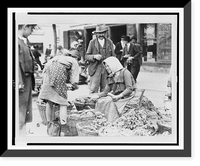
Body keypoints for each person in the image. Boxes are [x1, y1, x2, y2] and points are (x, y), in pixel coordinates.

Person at [38, 54, 79, 136]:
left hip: (47, 72)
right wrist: (74, 86)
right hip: (58, 72)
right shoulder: (74, 61)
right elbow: (74, 78)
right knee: (63, 102)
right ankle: (63, 128)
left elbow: (45, 72)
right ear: (76, 58)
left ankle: (50, 125)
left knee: (49, 100)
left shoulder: (58, 58)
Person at [93, 57, 136, 123]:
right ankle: (101, 120)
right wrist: (97, 96)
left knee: (112, 105)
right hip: (117, 96)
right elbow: (105, 92)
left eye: (108, 66)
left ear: (113, 64)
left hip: (127, 96)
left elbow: (129, 89)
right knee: (101, 102)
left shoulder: (125, 72)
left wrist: (119, 96)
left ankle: (112, 122)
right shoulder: (111, 76)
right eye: (106, 66)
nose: (107, 68)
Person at [18, 24, 37, 136]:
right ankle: (19, 135)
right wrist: (19, 83)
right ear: (25, 26)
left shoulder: (22, 41)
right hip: (21, 82)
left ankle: (22, 133)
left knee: (24, 111)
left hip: (26, 81)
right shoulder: (16, 43)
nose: (32, 31)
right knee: (20, 111)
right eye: (31, 28)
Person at [85, 24, 116, 93]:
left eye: (103, 33)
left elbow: (113, 56)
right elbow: (87, 56)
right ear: (96, 34)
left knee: (105, 90)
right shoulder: (92, 42)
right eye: (99, 33)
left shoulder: (109, 42)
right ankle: (93, 102)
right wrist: (94, 56)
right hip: (95, 68)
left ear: (106, 33)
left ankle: (102, 103)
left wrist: (113, 69)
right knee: (93, 89)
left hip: (106, 69)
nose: (101, 35)